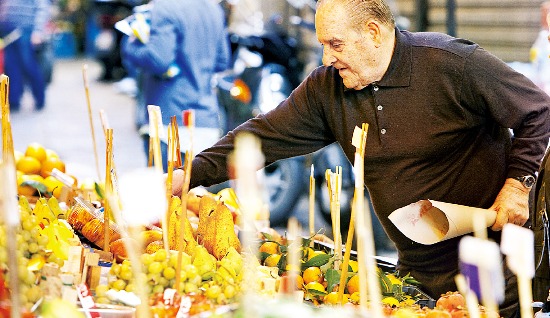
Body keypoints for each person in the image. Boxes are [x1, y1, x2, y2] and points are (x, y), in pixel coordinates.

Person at [171, 0, 550, 316]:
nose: (326, 57)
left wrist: (520, 184)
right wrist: (191, 172)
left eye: (336, 44)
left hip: (493, 265)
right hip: (416, 274)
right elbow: (263, 136)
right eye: (323, 44)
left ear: (372, 33)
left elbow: (539, 111)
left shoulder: (453, 63)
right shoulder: (327, 88)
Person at [121, 0, 231, 171]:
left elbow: (159, 60)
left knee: (165, 194)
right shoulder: (214, 9)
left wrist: (131, 45)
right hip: (205, 121)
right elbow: (222, 61)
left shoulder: (165, 6)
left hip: (169, 123)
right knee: (199, 196)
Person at [0, 0, 50, 112]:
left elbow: (42, 7)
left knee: (29, 65)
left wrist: (38, 31)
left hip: (25, 31)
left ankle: (39, 99)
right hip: (7, 31)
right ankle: (13, 101)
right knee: (11, 68)